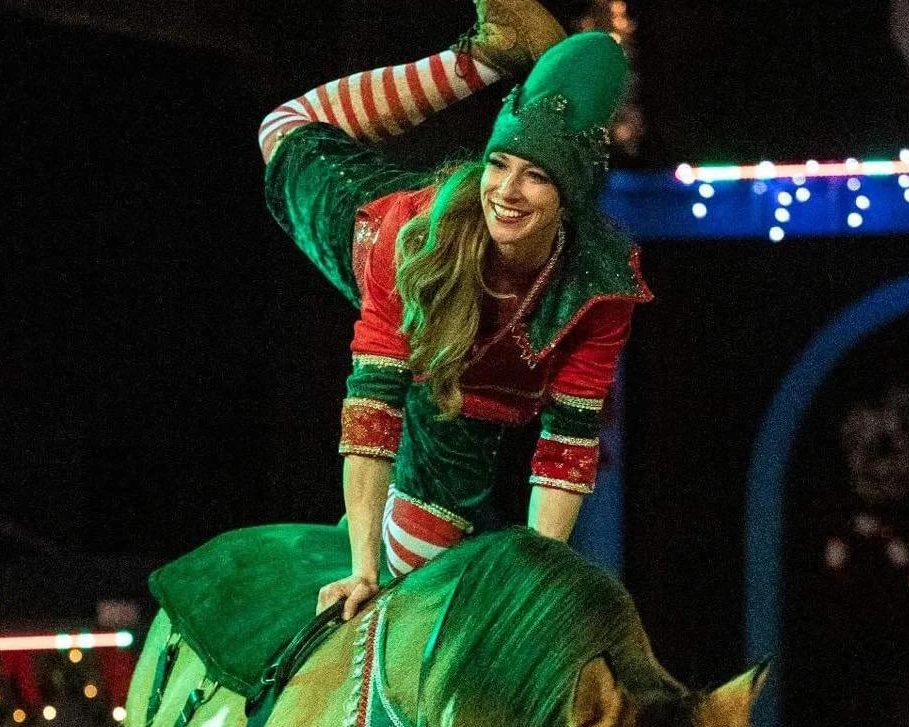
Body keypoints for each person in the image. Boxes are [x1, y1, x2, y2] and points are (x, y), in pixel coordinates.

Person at [260, 4, 651, 620]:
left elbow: (567, 447)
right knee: (283, 128)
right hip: (391, 261)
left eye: (536, 177)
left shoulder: (600, 287)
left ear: (569, 196)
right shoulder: (411, 239)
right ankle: (487, 58)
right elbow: (374, 402)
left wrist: (536, 591)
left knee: (415, 574)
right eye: (498, 164)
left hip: (468, 402)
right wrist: (360, 568)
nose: (507, 191)